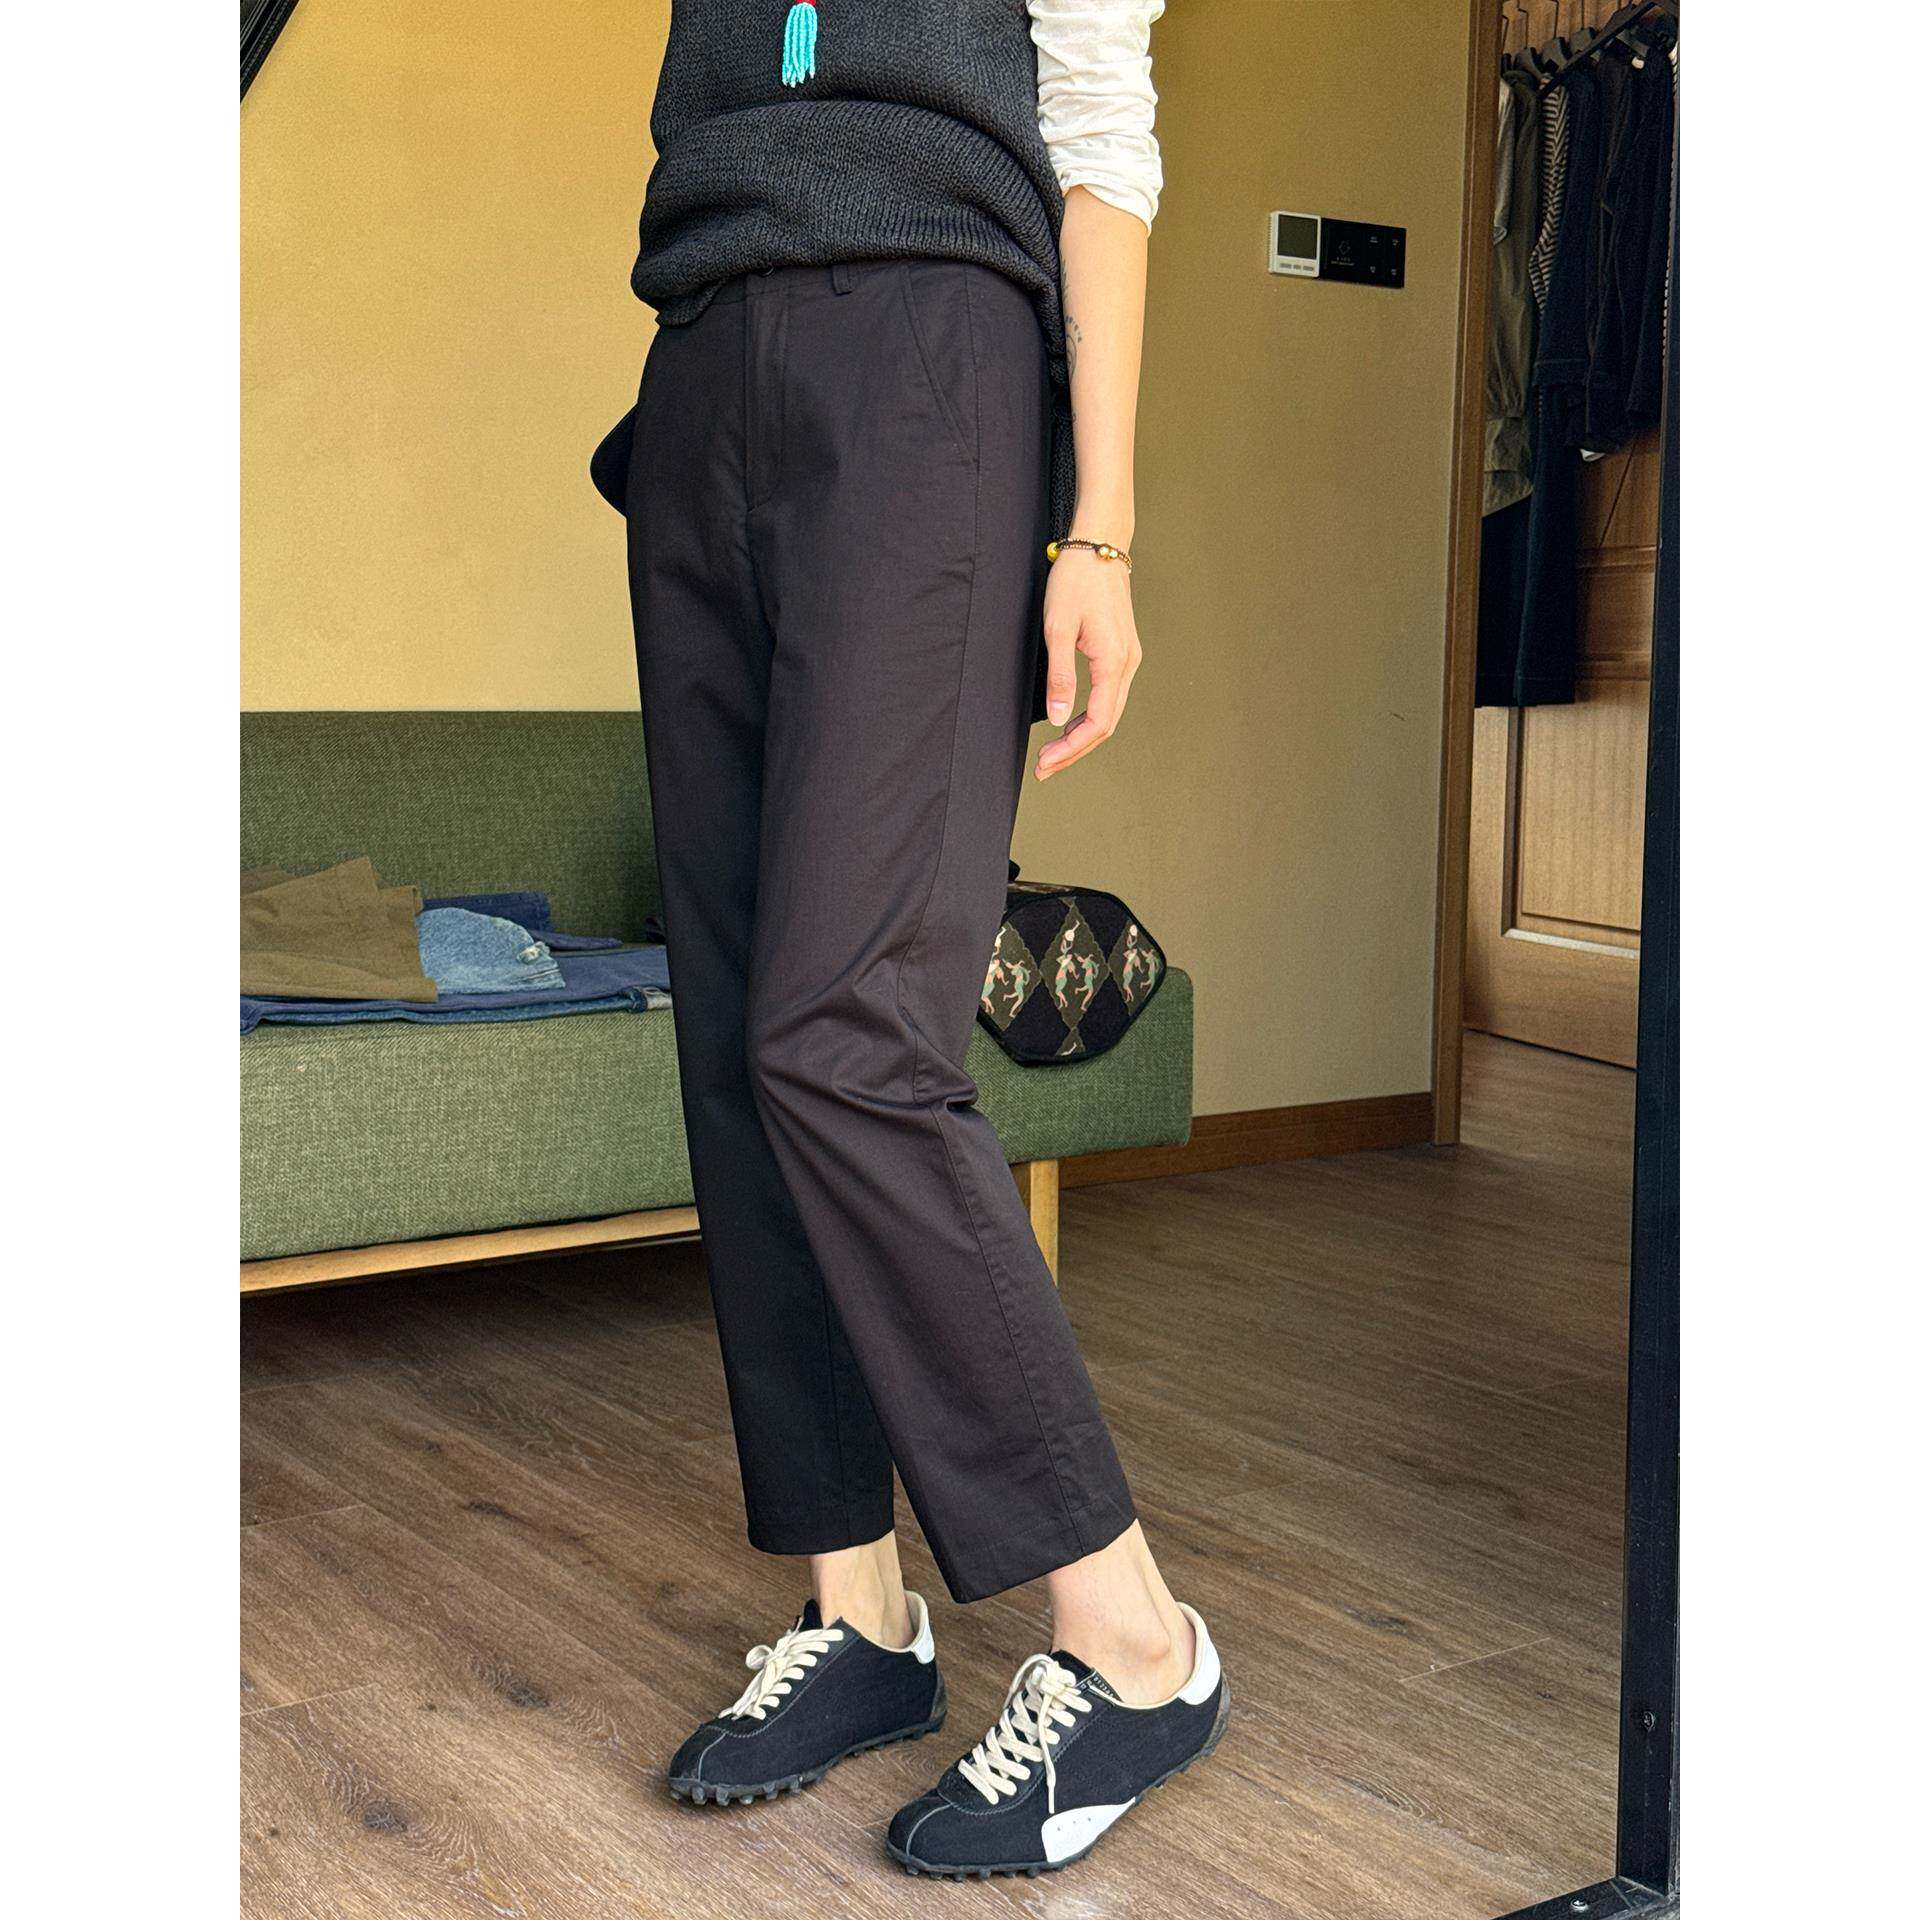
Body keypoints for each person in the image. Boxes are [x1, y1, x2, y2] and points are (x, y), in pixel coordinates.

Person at [591, 0, 1226, 1879]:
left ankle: (1137, 1639)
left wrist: (1099, 533)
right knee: (737, 1036)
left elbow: (1100, 128)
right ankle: (857, 1614)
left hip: (934, 351)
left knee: (845, 1031)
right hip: (703, 362)